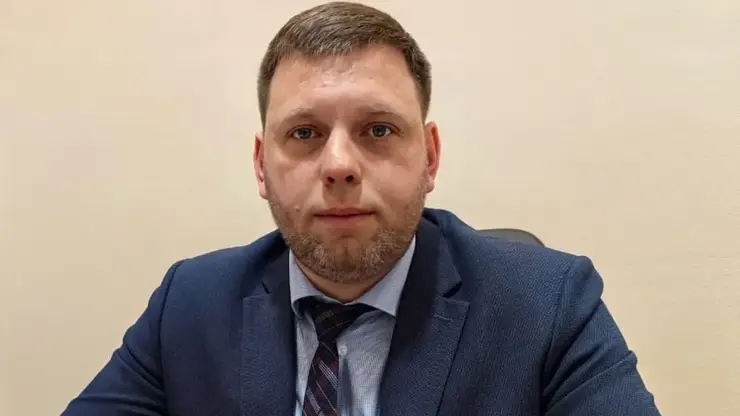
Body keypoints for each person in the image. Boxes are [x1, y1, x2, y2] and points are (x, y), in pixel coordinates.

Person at [63, 2, 661, 415]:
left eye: (378, 130)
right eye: (304, 133)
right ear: (261, 165)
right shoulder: (189, 304)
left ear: (430, 157)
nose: (339, 165)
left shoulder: (549, 305)